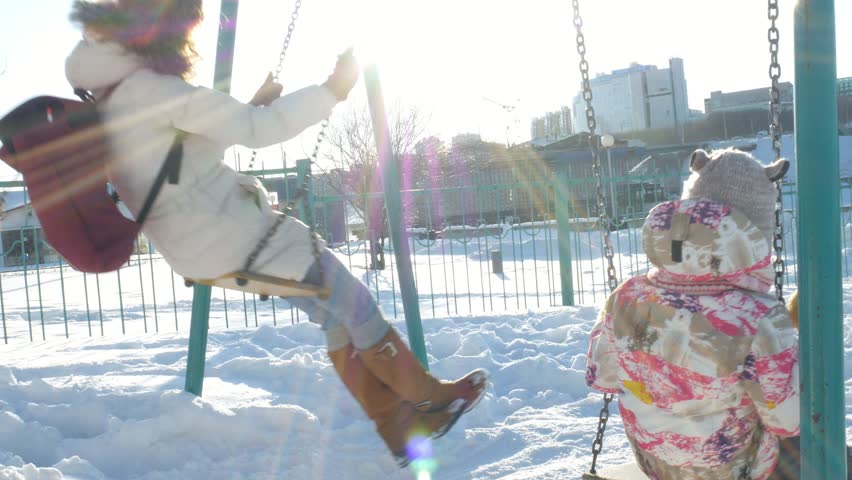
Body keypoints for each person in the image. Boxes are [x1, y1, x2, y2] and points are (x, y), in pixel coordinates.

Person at [66, 0, 487, 467]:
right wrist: (333, 89)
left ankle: (397, 425)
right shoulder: (149, 88)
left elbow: (182, 157)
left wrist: (250, 105)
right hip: (237, 234)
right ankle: (429, 401)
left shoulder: (108, 95)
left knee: (334, 317)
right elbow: (258, 131)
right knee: (355, 302)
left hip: (198, 248)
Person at [586, 148, 799, 479]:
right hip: (736, 470)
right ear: (759, 233)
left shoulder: (627, 295)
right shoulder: (758, 316)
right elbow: (788, 421)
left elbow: (602, 377)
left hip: (656, 462)